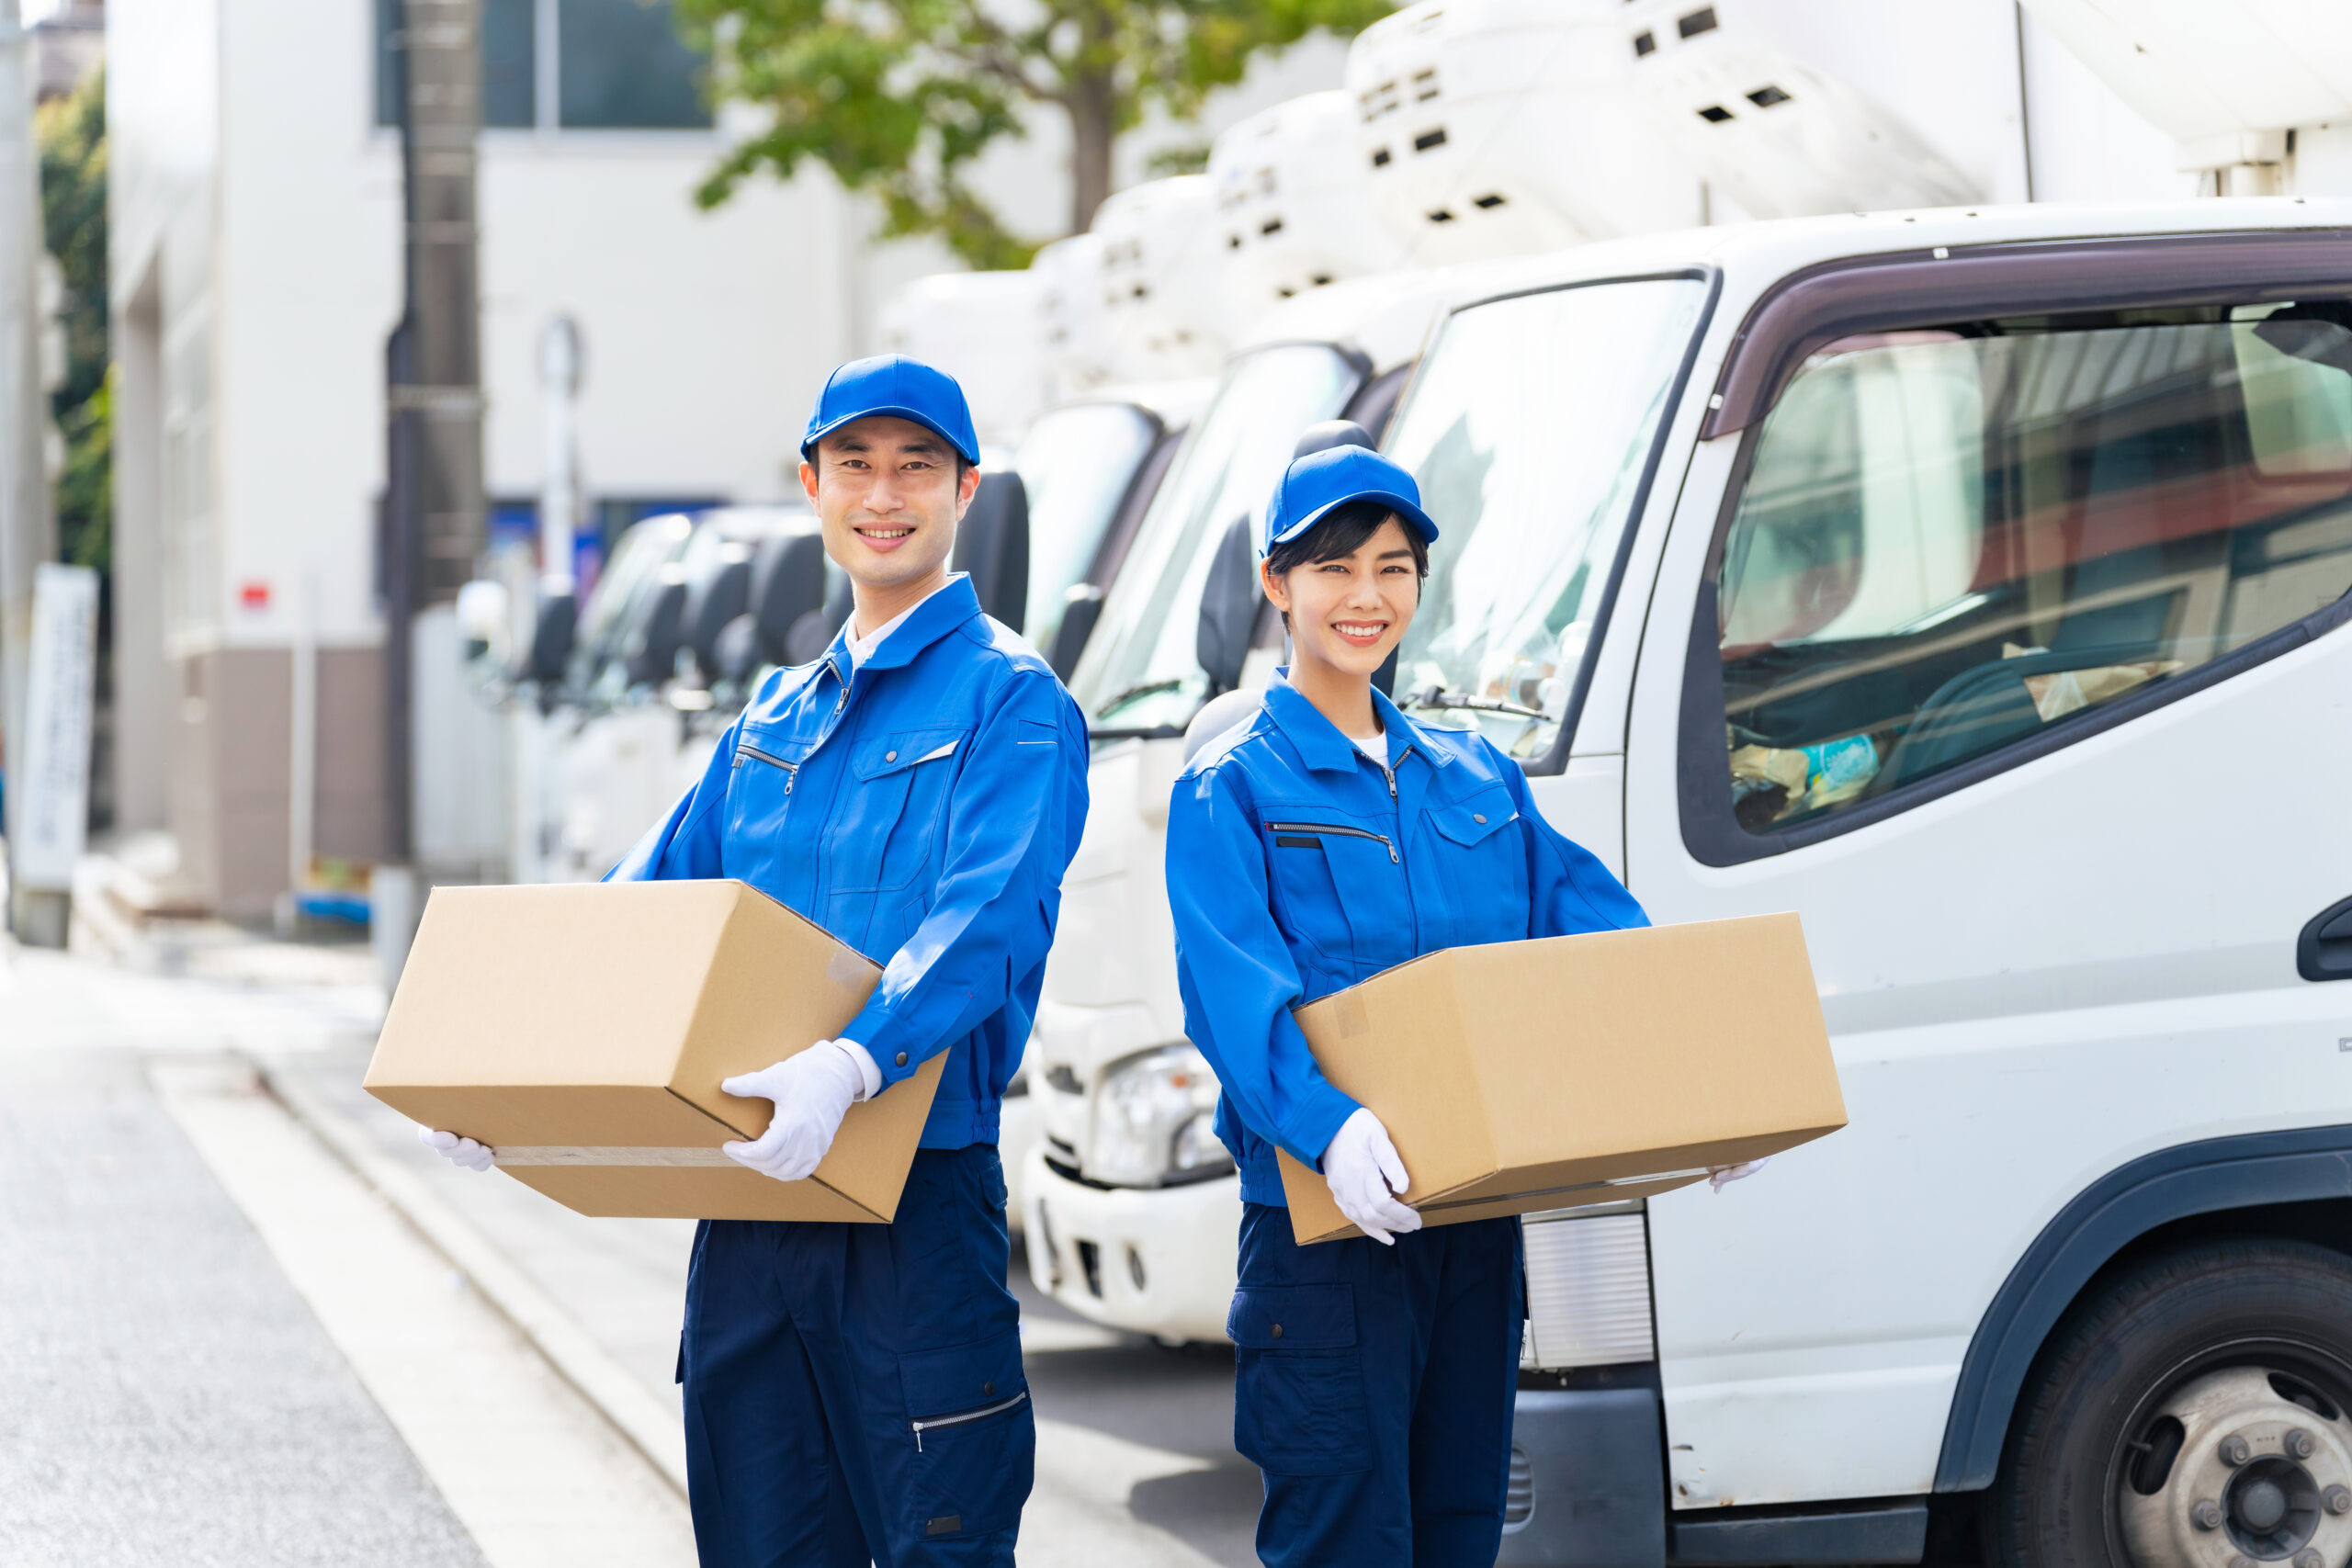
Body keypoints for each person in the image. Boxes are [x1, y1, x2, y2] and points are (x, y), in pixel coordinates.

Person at [419, 355, 1090, 1568]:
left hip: (913, 1214)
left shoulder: (1013, 701)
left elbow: (986, 918)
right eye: (855, 465)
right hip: (749, 1207)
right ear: (814, 486)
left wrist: (854, 1061)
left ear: (965, 489)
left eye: (915, 466)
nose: (883, 493)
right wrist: (505, 1073)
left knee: (943, 1543)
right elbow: (637, 914)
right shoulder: (770, 721)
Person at [1164, 437, 1754, 1567]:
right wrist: (1329, 1128)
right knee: (1346, 1537)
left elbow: (1598, 941)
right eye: (1332, 567)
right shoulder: (1229, 786)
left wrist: (1704, 1086)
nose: (1365, 595)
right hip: (1325, 1237)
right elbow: (1233, 1001)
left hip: (1476, 1225)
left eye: (1392, 567)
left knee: (1458, 1532)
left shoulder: (1476, 777)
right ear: (1277, 585)